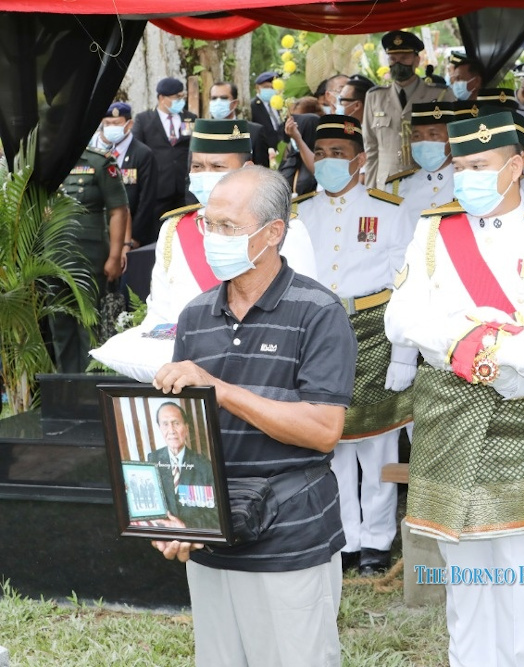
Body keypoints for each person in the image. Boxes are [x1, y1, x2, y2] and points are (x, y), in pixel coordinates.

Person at [384, 110, 524, 666]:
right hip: (447, 414)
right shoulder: (433, 229)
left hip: (521, 416)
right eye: (462, 165)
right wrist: (467, 339)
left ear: (517, 165)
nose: (466, 176)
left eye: (481, 165)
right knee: (465, 571)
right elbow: (400, 319)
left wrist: (493, 352)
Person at [151, 165, 357, 666]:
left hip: (290, 536)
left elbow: (324, 430)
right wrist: (174, 516)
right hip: (214, 533)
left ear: (273, 234)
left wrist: (222, 390)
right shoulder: (197, 316)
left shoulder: (318, 311)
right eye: (208, 225)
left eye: (228, 228)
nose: (212, 239)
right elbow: (187, 434)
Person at [295, 114, 415, 576]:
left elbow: (407, 284)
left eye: (338, 156)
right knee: (333, 445)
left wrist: (404, 353)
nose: (327, 163)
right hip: (321, 330)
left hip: (375, 329)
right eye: (320, 155)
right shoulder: (299, 213)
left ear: (360, 161)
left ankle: (378, 542)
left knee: (379, 445)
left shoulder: (390, 209)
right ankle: (345, 539)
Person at [146, 119, 317, 328]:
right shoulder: (174, 229)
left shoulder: (281, 229)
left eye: (217, 166)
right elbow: (160, 312)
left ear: (247, 169)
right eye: (198, 166)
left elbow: (305, 309)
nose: (205, 174)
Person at [52, 145, 129, 372]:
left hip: (90, 258)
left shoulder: (99, 161)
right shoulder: (46, 159)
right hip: (53, 258)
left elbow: (118, 210)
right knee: (60, 328)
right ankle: (66, 388)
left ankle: (90, 391)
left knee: (90, 326)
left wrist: (115, 256)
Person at [364, 30, 454, 189]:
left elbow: (453, 143)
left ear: (416, 60)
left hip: (427, 182)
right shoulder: (375, 97)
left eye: (404, 58)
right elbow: (371, 150)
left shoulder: (440, 94)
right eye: (393, 58)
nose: (398, 63)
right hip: (386, 186)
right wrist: (370, 192)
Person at [132, 76, 196, 220]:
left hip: (184, 187)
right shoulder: (144, 120)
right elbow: (137, 149)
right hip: (157, 187)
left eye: (182, 96)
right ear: (161, 98)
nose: (181, 100)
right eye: (176, 97)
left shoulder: (190, 118)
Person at [98, 102, 159, 248]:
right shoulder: (99, 152)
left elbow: (147, 200)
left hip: (132, 235)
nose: (111, 127)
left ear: (129, 124)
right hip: (103, 232)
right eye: (107, 124)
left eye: (116, 123)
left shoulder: (143, 154)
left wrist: (134, 237)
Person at [146, 401, 215, 528]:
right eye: (165, 424)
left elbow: (215, 514)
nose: (171, 430)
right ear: (160, 429)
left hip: (193, 534)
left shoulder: (204, 465)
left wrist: (186, 526)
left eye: (176, 423)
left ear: (186, 428)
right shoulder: (152, 460)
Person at [388, 101, 456, 216]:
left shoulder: (466, 183)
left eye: (433, 135)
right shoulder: (397, 188)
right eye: (417, 136)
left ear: (452, 138)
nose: (424, 142)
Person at [206, 81, 270, 168]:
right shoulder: (201, 132)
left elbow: (263, 173)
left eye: (224, 98)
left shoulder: (254, 132)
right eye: (214, 98)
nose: (218, 102)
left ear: (235, 103)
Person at [250, 71, 284, 151]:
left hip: (281, 150)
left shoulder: (279, 104)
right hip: (263, 150)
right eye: (266, 87)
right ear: (257, 88)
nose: (270, 90)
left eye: (272, 88)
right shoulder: (252, 106)